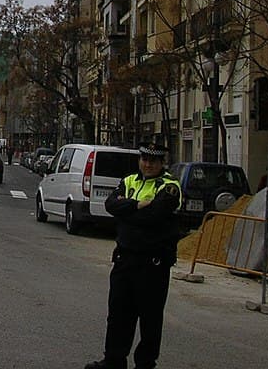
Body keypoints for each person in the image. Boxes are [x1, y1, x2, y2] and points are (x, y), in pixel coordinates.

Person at [85, 143, 182, 369]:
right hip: (124, 260)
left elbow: (154, 216)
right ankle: (114, 360)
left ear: (162, 163)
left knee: (150, 318)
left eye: (153, 161)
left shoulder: (169, 186)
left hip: (153, 264)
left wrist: (127, 212)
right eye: (144, 159)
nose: (148, 164)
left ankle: (145, 364)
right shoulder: (129, 180)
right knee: (118, 315)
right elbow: (111, 205)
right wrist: (138, 205)